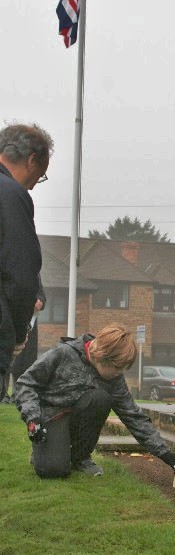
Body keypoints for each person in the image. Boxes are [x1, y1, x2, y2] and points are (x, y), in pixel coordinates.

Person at [15, 323, 175, 478]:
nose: (120, 373)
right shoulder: (63, 353)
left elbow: (133, 415)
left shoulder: (114, 379)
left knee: (101, 398)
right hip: (52, 417)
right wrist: (33, 418)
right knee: (53, 470)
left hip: (79, 417)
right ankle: (45, 452)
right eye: (118, 367)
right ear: (103, 357)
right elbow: (26, 384)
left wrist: (165, 453)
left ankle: (80, 458)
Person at [0, 123, 53, 400]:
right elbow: (22, 273)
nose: (33, 185)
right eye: (39, 176)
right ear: (32, 160)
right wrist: (19, 332)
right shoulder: (12, 195)